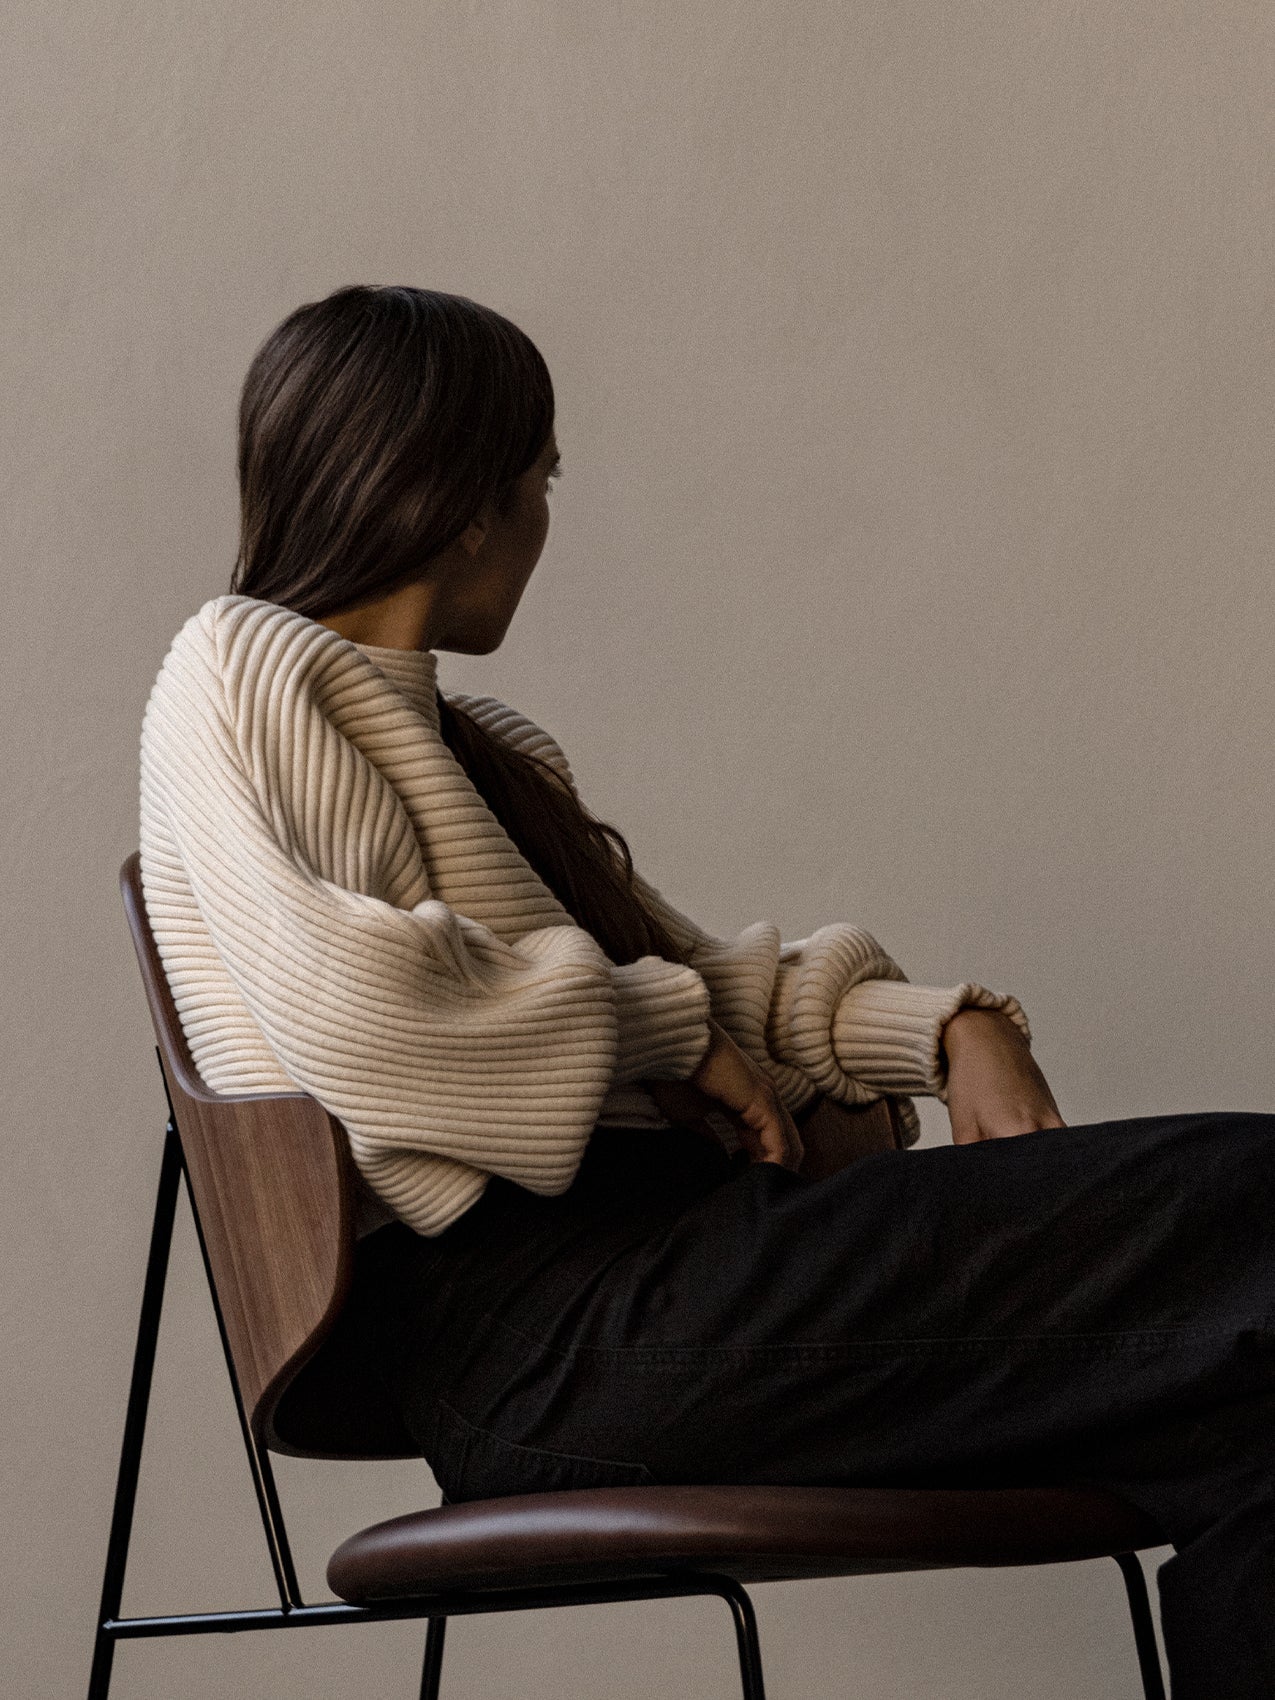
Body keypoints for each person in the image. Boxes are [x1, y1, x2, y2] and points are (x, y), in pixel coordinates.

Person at [140, 284, 1275, 1697]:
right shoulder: (240, 668)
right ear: (465, 501)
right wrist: (657, 1026)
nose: (548, 527)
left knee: (1251, 1418)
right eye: (541, 481)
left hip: (660, 1290)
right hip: (551, 1333)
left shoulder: (482, 750)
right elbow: (370, 1021)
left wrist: (943, 1028)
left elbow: (696, 991)